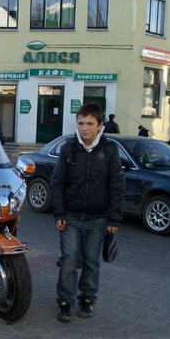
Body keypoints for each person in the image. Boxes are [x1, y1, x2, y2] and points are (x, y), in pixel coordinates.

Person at [49, 103, 124, 322]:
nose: (85, 128)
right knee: (69, 259)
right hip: (70, 218)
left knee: (91, 261)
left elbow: (117, 185)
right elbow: (57, 182)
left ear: (100, 125)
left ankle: (87, 299)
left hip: (98, 219)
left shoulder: (109, 150)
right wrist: (59, 213)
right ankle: (65, 301)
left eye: (90, 123)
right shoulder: (69, 148)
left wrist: (114, 217)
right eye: (81, 123)